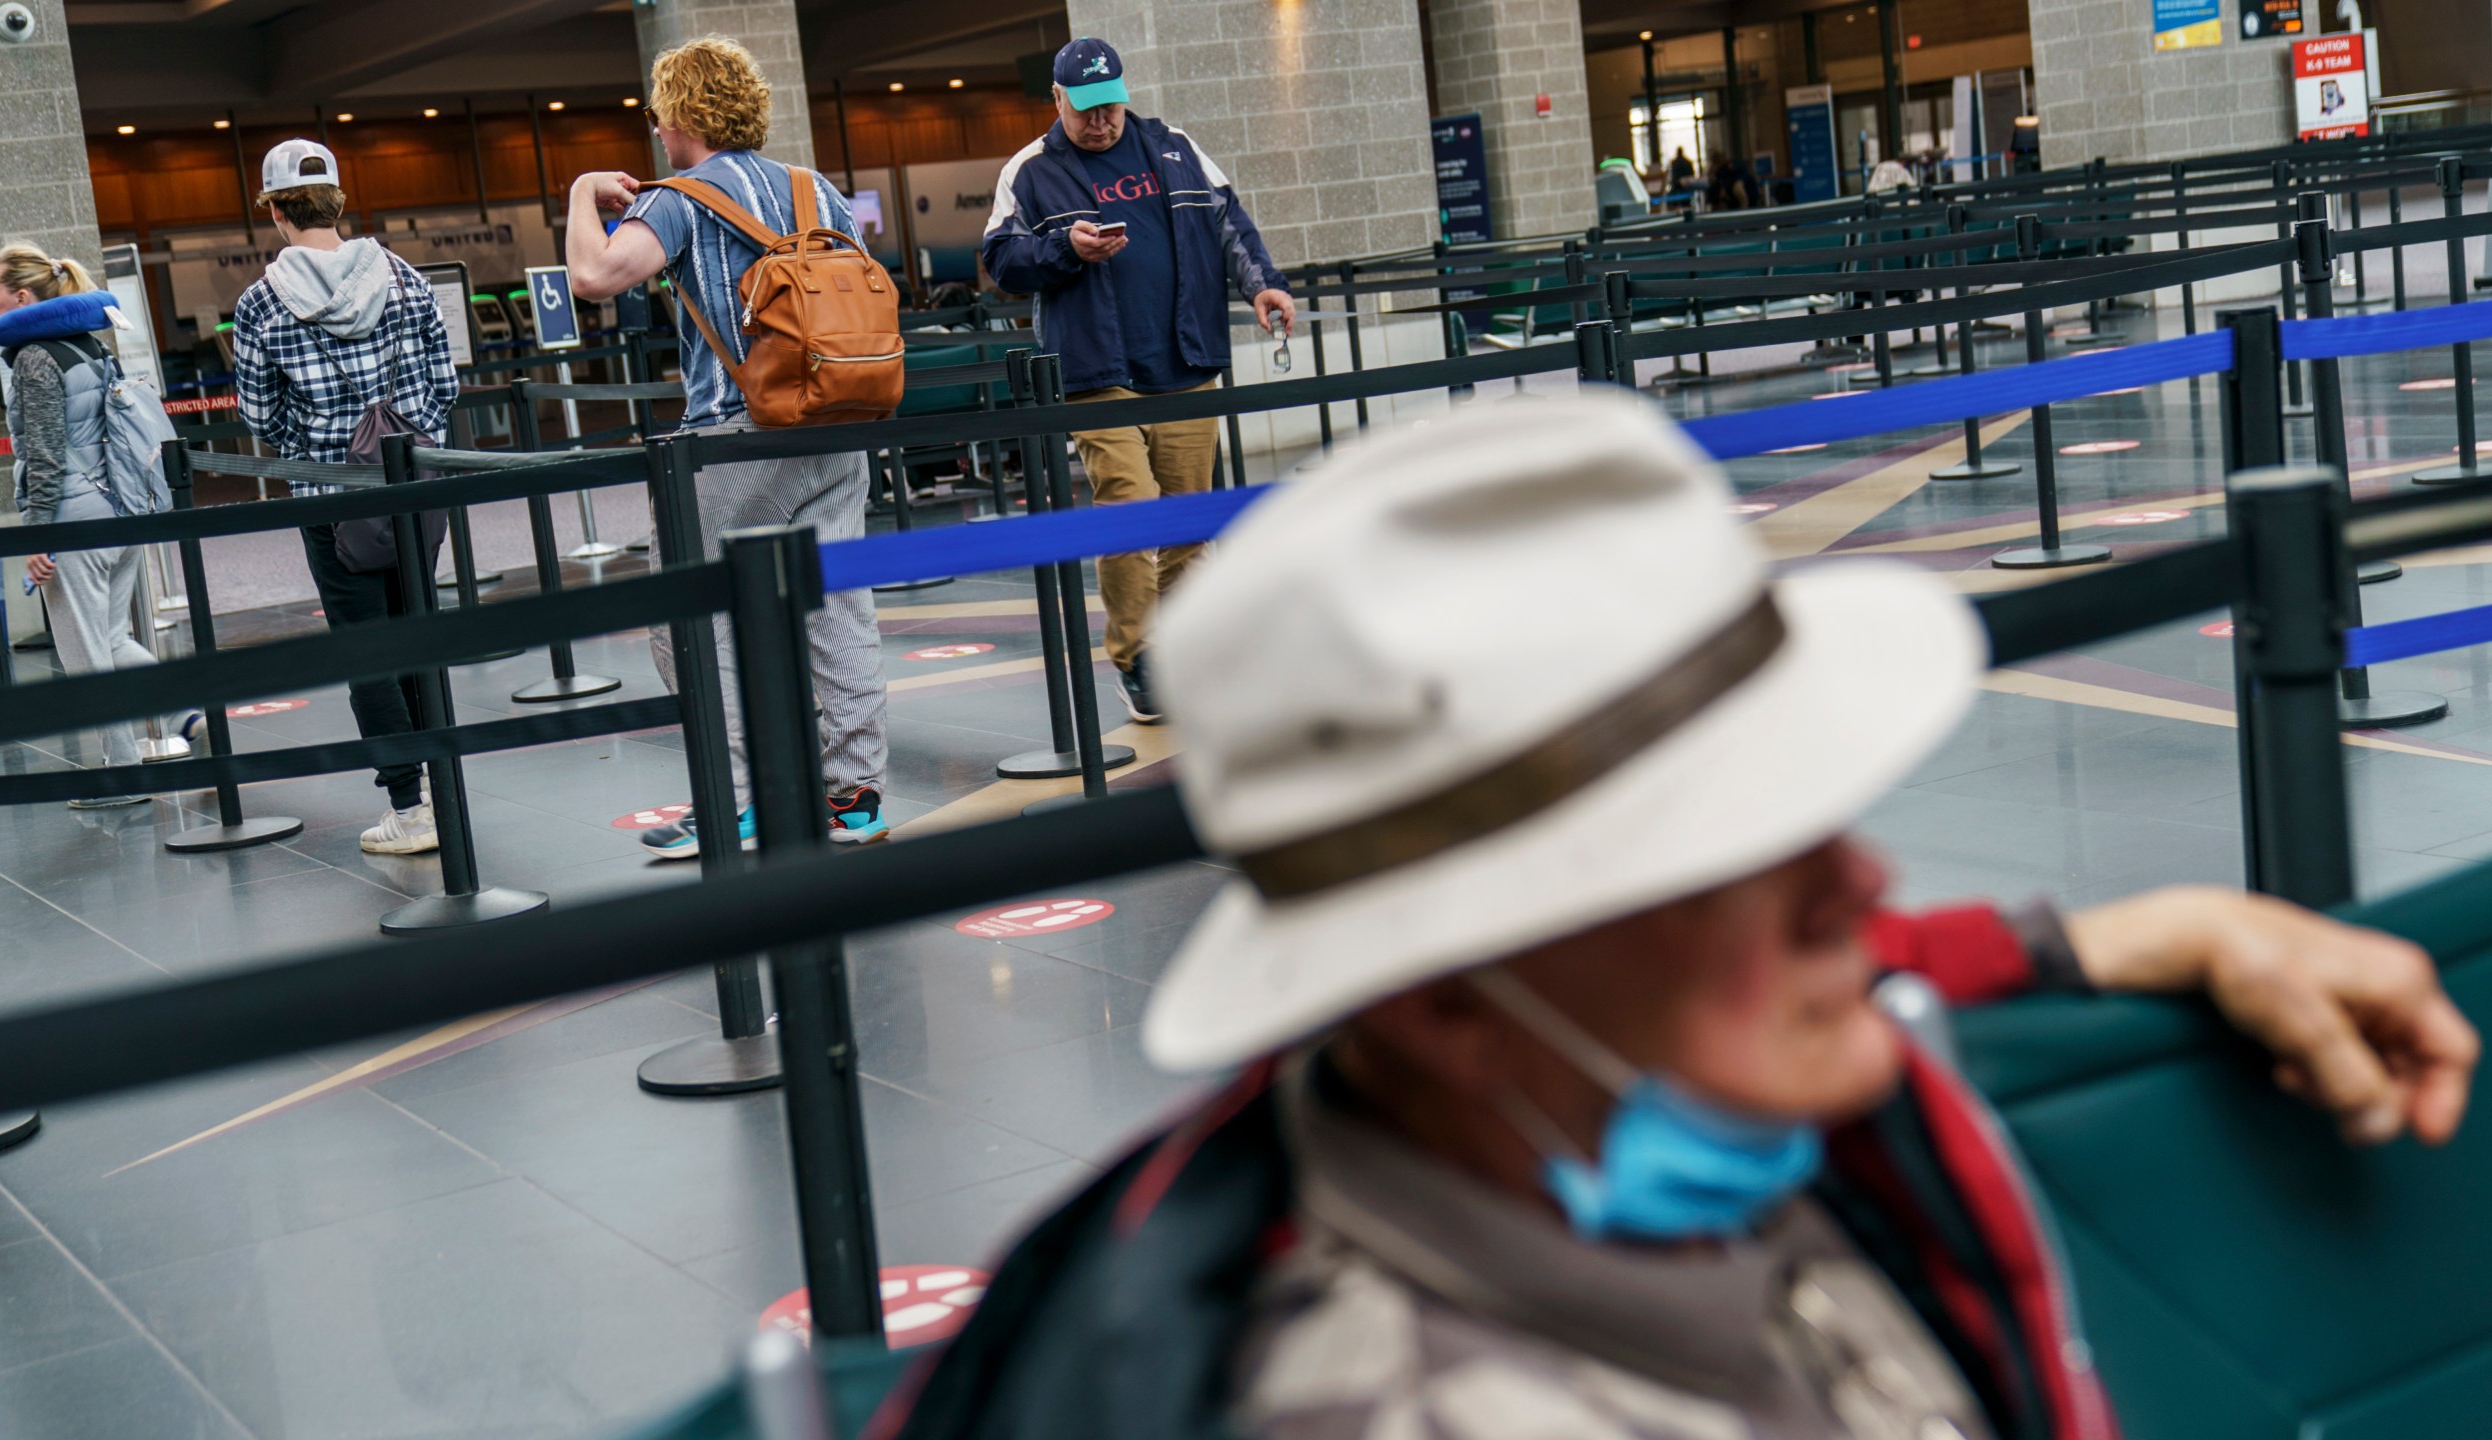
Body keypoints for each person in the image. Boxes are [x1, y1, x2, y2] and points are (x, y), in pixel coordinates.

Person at [883, 394, 2479, 1440]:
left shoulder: (1557, 1124)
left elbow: (1744, 985)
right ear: (1439, 1001)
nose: (1864, 886)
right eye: (1731, 858)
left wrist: (2145, 938)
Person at [564, 35, 892, 859]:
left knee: (687, 620)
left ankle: (745, 800)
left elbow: (597, 276)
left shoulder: (679, 196)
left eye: (657, 116)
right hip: (841, 423)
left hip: (737, 437)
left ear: (679, 116)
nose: (657, 133)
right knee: (836, 609)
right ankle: (855, 795)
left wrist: (579, 191)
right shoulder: (814, 188)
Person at [981, 37, 1296, 724]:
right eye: (1086, 110)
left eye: (1111, 107)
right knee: (1129, 506)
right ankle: (1137, 656)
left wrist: (1263, 286)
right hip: (1098, 367)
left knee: (1187, 518)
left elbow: (1226, 221)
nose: (1102, 122)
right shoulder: (1030, 171)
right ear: (1057, 99)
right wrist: (1065, 247)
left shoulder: (1173, 145)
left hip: (1184, 355)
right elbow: (1001, 260)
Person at [232, 137, 460, 855]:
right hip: (413, 483)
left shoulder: (261, 303)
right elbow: (443, 386)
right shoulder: (403, 277)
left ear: (275, 211)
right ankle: (445, 794)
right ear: (337, 199)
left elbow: (261, 417)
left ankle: (407, 806)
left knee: (366, 649)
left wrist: (322, 441)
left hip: (332, 497)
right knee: (419, 629)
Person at [0, 245, 198, 807]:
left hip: (72, 520)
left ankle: (120, 777)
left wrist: (36, 533)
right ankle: (191, 711)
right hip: (121, 512)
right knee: (112, 638)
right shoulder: (90, 344)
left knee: (85, 657)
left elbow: (44, 451)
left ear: (20, 298)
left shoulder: (32, 357)